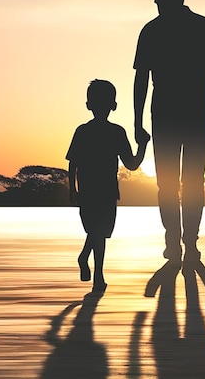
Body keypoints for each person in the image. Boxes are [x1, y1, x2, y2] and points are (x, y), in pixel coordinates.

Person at [133, 0, 205, 264]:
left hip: (183, 115)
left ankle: (186, 241)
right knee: (181, 182)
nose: (153, 1)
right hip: (179, 115)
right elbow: (141, 78)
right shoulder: (189, 27)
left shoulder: (196, 27)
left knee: (184, 182)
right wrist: (137, 121)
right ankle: (178, 240)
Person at [66, 79, 149, 293]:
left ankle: (88, 262)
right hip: (93, 191)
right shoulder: (87, 132)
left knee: (98, 232)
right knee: (98, 233)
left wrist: (142, 145)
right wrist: (72, 190)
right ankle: (97, 274)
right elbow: (73, 163)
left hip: (104, 191)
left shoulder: (113, 132)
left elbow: (130, 164)